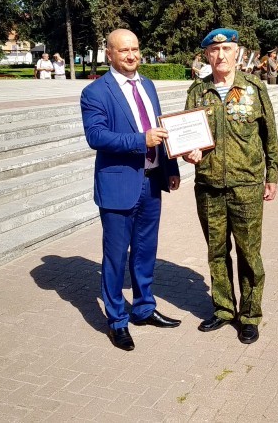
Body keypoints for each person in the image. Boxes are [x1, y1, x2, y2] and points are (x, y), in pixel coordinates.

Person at [79, 29, 182, 351]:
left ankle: (144, 309)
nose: (132, 55)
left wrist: (171, 168)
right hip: (118, 187)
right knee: (114, 257)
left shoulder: (148, 85)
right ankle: (117, 321)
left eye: (135, 49)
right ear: (109, 53)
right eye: (124, 50)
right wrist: (141, 141)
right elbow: (96, 137)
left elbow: (161, 131)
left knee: (145, 252)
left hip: (151, 183)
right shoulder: (95, 92)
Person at [183, 28, 278, 345]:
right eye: (214, 50)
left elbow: (270, 135)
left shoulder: (254, 89)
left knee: (249, 254)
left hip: (247, 185)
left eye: (227, 49)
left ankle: (250, 315)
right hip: (209, 185)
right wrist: (189, 152)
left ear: (237, 52)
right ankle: (224, 309)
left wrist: (273, 174)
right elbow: (186, 135)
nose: (221, 55)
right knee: (216, 251)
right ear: (207, 56)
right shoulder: (198, 92)